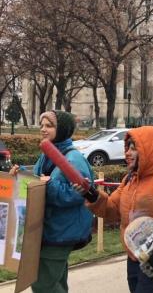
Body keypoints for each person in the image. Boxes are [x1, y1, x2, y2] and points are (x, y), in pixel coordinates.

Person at [74, 126, 153, 293]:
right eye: (127, 147)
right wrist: (92, 195)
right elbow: (112, 211)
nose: (127, 153)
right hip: (135, 260)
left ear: (148, 150)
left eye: (134, 148)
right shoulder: (129, 179)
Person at [9, 111, 94, 293]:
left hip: (62, 232)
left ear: (61, 129)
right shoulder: (48, 153)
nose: (43, 129)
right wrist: (22, 173)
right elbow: (39, 178)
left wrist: (50, 185)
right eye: (42, 125)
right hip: (49, 229)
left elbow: (79, 193)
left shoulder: (74, 159)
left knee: (42, 283)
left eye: (49, 125)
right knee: (56, 282)